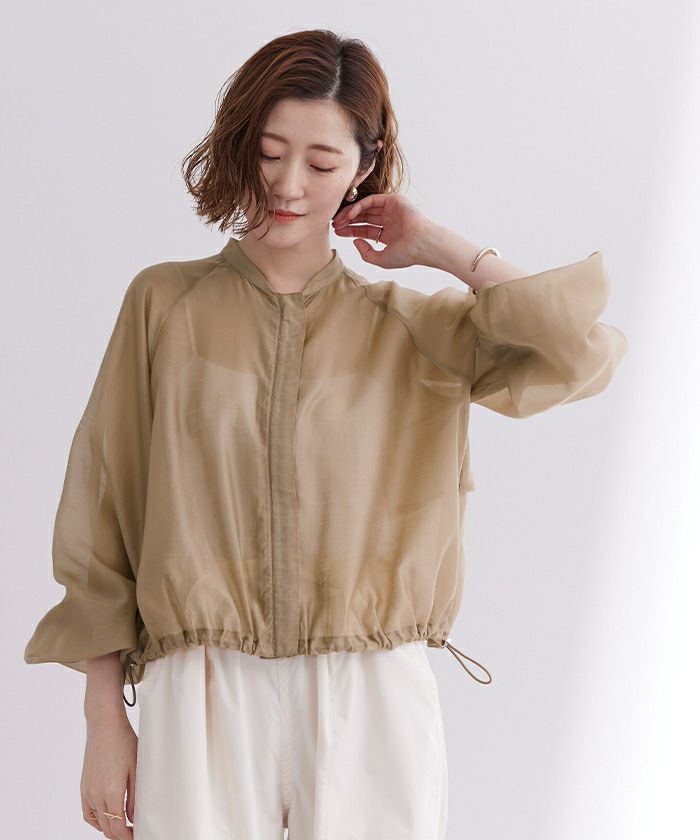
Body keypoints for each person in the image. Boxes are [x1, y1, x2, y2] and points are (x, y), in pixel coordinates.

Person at [23, 28, 628, 840]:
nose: (287, 185)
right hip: (202, 687)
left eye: (321, 162)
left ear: (363, 169)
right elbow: (102, 519)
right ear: (239, 142)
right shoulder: (164, 306)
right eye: (270, 153)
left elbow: (579, 351)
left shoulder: (410, 328)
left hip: (369, 692)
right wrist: (105, 718)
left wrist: (439, 248)